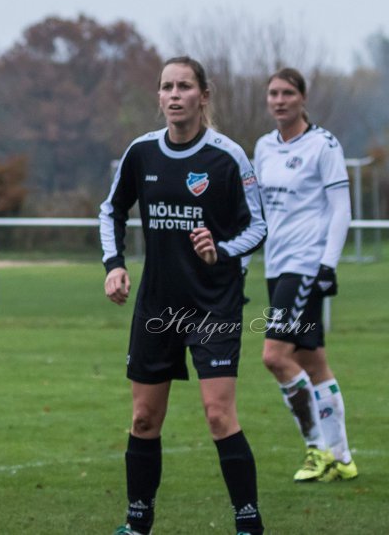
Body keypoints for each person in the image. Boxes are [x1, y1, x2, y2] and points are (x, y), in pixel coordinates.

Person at [99, 56, 268, 535]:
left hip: (214, 304)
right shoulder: (142, 153)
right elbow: (111, 210)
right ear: (159, 97)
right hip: (157, 305)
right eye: (166, 87)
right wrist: (115, 266)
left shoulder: (227, 156)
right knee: (144, 417)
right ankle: (137, 522)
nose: (174, 95)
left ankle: (248, 522)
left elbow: (258, 226)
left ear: (203, 96)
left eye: (184, 87)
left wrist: (221, 250)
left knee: (218, 414)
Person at [253, 67, 358, 482]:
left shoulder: (323, 145)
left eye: (287, 93)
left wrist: (328, 264)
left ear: (302, 98)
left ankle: (317, 449)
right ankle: (343, 457)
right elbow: (259, 211)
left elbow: (341, 209)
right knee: (312, 361)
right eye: (273, 94)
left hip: (305, 264)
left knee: (275, 356)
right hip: (276, 266)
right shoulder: (262, 147)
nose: (279, 100)